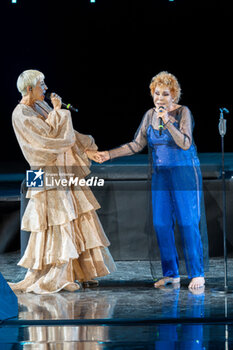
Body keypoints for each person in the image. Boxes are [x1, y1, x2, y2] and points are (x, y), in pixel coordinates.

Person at [96, 71, 207, 290]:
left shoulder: (183, 112)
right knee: (161, 223)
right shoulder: (149, 115)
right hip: (161, 176)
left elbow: (185, 143)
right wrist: (109, 154)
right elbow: (136, 144)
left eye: (165, 94)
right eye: (156, 93)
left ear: (173, 95)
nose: (160, 98)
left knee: (187, 222)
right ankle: (171, 274)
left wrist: (167, 120)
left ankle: (197, 273)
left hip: (184, 174)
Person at [10, 69, 116, 294]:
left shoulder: (41, 106)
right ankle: (56, 275)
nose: (46, 88)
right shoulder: (21, 114)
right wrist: (59, 112)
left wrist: (87, 149)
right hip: (41, 171)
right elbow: (49, 138)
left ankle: (75, 271)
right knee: (50, 219)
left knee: (70, 215)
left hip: (61, 169)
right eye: (42, 84)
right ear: (30, 88)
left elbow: (68, 134)